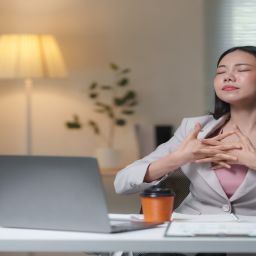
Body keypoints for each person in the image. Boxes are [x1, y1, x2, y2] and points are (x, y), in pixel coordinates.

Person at [114, 46, 256, 256]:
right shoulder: (195, 128)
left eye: (242, 69)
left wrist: (251, 160)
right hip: (190, 240)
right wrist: (179, 157)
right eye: (221, 72)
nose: (228, 77)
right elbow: (122, 183)